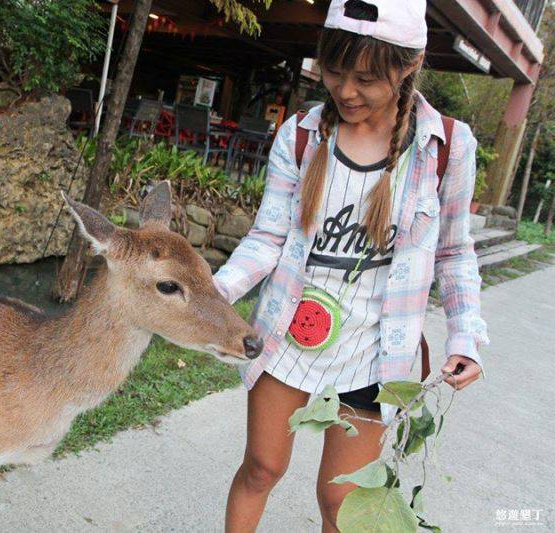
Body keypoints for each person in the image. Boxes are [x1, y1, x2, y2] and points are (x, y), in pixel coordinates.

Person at [211, 1, 490, 531]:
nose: (344, 91)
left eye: (365, 77)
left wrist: (464, 337)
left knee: (340, 501)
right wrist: (214, 293)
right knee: (261, 468)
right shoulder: (301, 134)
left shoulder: (446, 147)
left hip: (375, 351)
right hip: (288, 338)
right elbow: (268, 236)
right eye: (334, 71)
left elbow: (454, 253)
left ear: (408, 65)